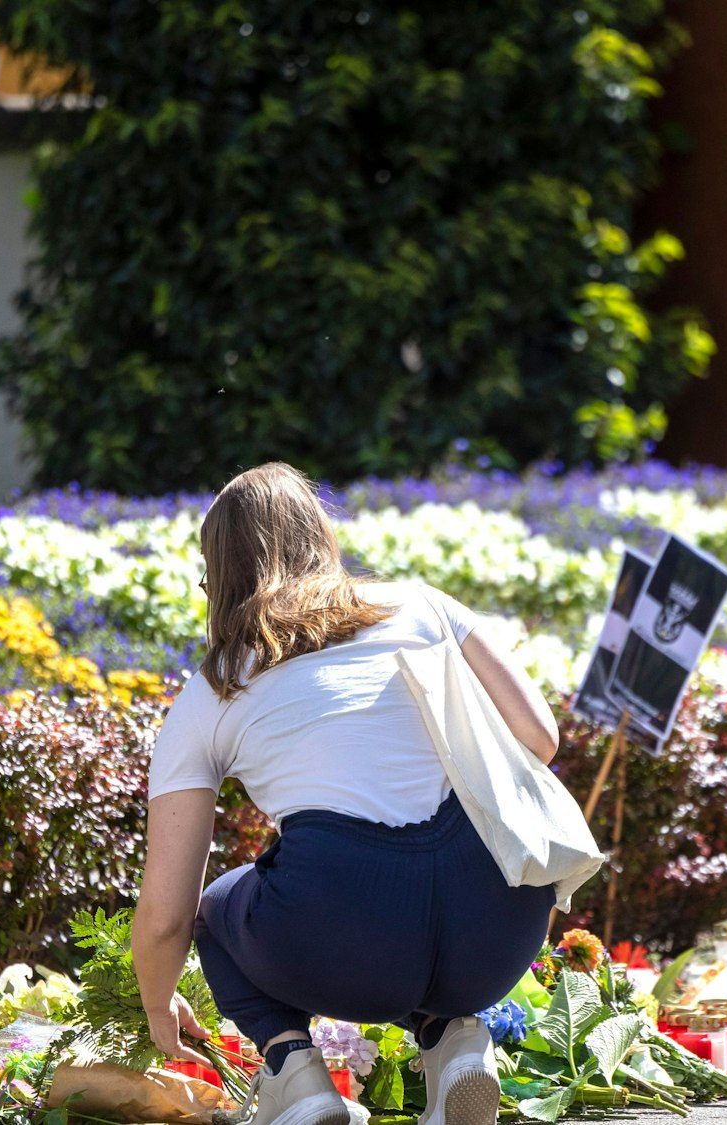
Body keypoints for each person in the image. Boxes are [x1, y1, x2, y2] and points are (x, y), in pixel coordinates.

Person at [133, 463, 560, 1125]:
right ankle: (457, 1044)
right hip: (502, 923)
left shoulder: (211, 690)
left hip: (349, 939)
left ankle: (297, 1081)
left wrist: (158, 1004)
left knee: (219, 910)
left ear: (218, 572)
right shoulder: (422, 604)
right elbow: (539, 735)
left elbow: (166, 915)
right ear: (321, 536)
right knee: (423, 883)